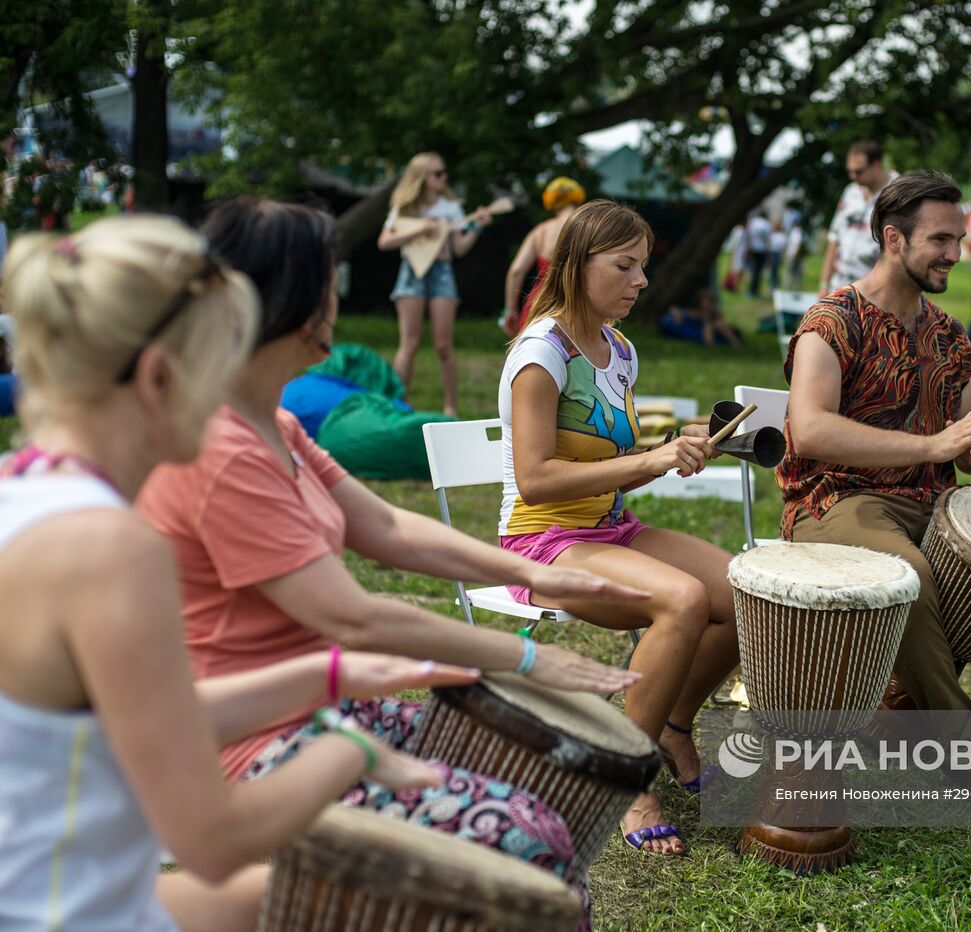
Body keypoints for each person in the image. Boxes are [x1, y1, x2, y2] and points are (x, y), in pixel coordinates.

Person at [136, 200, 644, 919]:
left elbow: (386, 527)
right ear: (297, 300)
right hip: (253, 745)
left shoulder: (272, 422)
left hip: (325, 708)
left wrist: (530, 572)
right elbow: (352, 615)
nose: (340, 295)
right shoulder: (220, 450)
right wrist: (526, 659)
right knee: (530, 840)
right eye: (330, 280)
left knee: (544, 815)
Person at [0, 215, 482, 929]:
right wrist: (350, 752)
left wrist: (323, 679)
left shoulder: (25, 488)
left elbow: (132, 723)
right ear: (163, 377)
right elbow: (213, 840)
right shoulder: (108, 548)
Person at [781, 171, 971, 813]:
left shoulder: (948, 335)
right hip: (835, 504)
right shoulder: (832, 320)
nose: (954, 254)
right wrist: (930, 447)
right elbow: (810, 429)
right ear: (892, 239)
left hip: (932, 511)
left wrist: (968, 448)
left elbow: (958, 445)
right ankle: (966, 749)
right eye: (940, 239)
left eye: (959, 239)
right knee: (904, 573)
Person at [499, 200, 741, 855]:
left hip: (611, 530)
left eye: (643, 267)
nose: (641, 281)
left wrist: (673, 444)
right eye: (624, 266)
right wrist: (653, 459)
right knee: (683, 600)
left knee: (746, 593)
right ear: (578, 266)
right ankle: (625, 778)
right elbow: (536, 479)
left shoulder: (619, 349)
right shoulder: (541, 353)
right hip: (544, 543)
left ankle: (671, 728)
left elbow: (614, 459)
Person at [377, 151, 495, 418]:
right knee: (409, 343)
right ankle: (398, 404)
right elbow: (384, 241)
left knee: (443, 346)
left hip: (442, 272)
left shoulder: (451, 208)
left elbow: (459, 248)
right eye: (437, 173)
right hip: (412, 272)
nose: (444, 177)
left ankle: (451, 408)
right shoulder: (405, 208)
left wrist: (476, 227)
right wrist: (421, 229)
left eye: (444, 173)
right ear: (422, 177)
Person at [501, 176, 586, 337]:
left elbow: (516, 270)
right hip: (577, 302)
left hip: (541, 303)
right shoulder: (588, 228)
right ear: (578, 198)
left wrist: (509, 310)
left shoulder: (541, 231)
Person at [819, 140, 897, 295]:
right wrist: (824, 284)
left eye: (859, 171)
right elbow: (834, 239)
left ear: (876, 164)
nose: (853, 176)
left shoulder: (898, 193)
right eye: (850, 171)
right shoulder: (850, 192)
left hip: (875, 292)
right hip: (839, 287)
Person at [661, 288, 743, 347]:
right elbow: (675, 310)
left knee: (716, 324)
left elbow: (722, 323)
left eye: (709, 301)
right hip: (702, 332)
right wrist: (677, 314)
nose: (706, 304)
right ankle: (711, 345)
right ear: (699, 302)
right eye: (704, 301)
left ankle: (735, 343)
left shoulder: (714, 313)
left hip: (713, 330)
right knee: (709, 325)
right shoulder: (696, 313)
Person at [745, 210, 773, 297]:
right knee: (758, 271)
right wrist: (768, 252)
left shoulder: (753, 222)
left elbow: (749, 236)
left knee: (753, 270)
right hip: (762, 250)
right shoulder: (766, 224)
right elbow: (767, 239)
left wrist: (749, 248)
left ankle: (752, 289)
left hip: (753, 248)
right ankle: (754, 290)